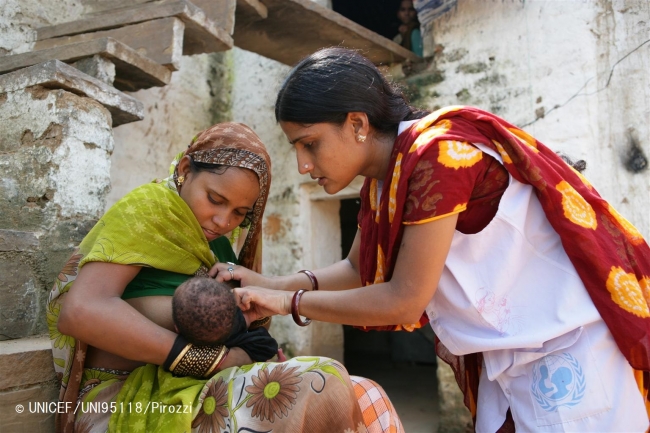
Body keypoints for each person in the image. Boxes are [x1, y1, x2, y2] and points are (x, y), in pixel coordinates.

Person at [215, 48, 650, 432]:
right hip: (507, 356)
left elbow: (404, 299)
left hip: (565, 347)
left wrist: (288, 304)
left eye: (310, 144)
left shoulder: (437, 155)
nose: (303, 165)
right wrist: (266, 284)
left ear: (357, 124)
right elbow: (354, 270)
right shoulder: (383, 181)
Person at [48, 122, 403, 433]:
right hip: (124, 393)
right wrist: (209, 360)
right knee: (319, 383)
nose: (222, 221)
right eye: (215, 199)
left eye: (239, 213)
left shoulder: (218, 248)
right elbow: (81, 311)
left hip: (194, 384)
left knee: (366, 394)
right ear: (186, 169)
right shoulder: (149, 212)